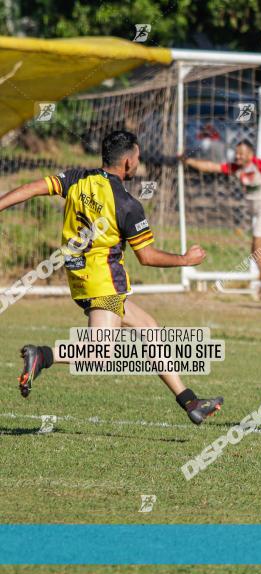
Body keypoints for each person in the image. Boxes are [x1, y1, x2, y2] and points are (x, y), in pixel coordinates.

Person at [2, 130, 222, 425]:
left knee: (149, 329)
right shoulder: (127, 204)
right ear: (129, 161)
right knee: (99, 353)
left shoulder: (76, 178)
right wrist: (185, 260)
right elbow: (147, 256)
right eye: (138, 158)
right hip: (104, 281)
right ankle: (42, 355)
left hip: (80, 276)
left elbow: (31, 187)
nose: (138, 163)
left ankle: (190, 402)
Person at [183, 140, 261, 303]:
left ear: (250, 154)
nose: (238, 156)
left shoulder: (259, 166)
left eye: (241, 153)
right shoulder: (236, 168)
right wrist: (189, 161)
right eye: (236, 153)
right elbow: (211, 167)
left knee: (257, 252)